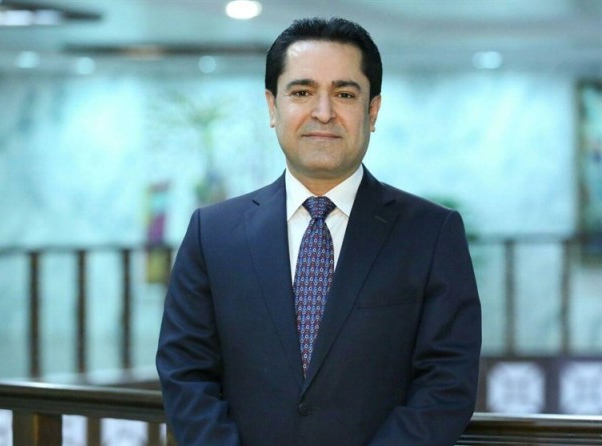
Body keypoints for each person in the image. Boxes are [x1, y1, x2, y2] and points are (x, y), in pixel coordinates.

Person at [156, 17, 481, 446]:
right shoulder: (212, 233)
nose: (323, 112)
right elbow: (186, 373)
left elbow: (446, 384)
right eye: (302, 92)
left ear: (372, 111)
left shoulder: (431, 234)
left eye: (344, 94)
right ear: (272, 107)